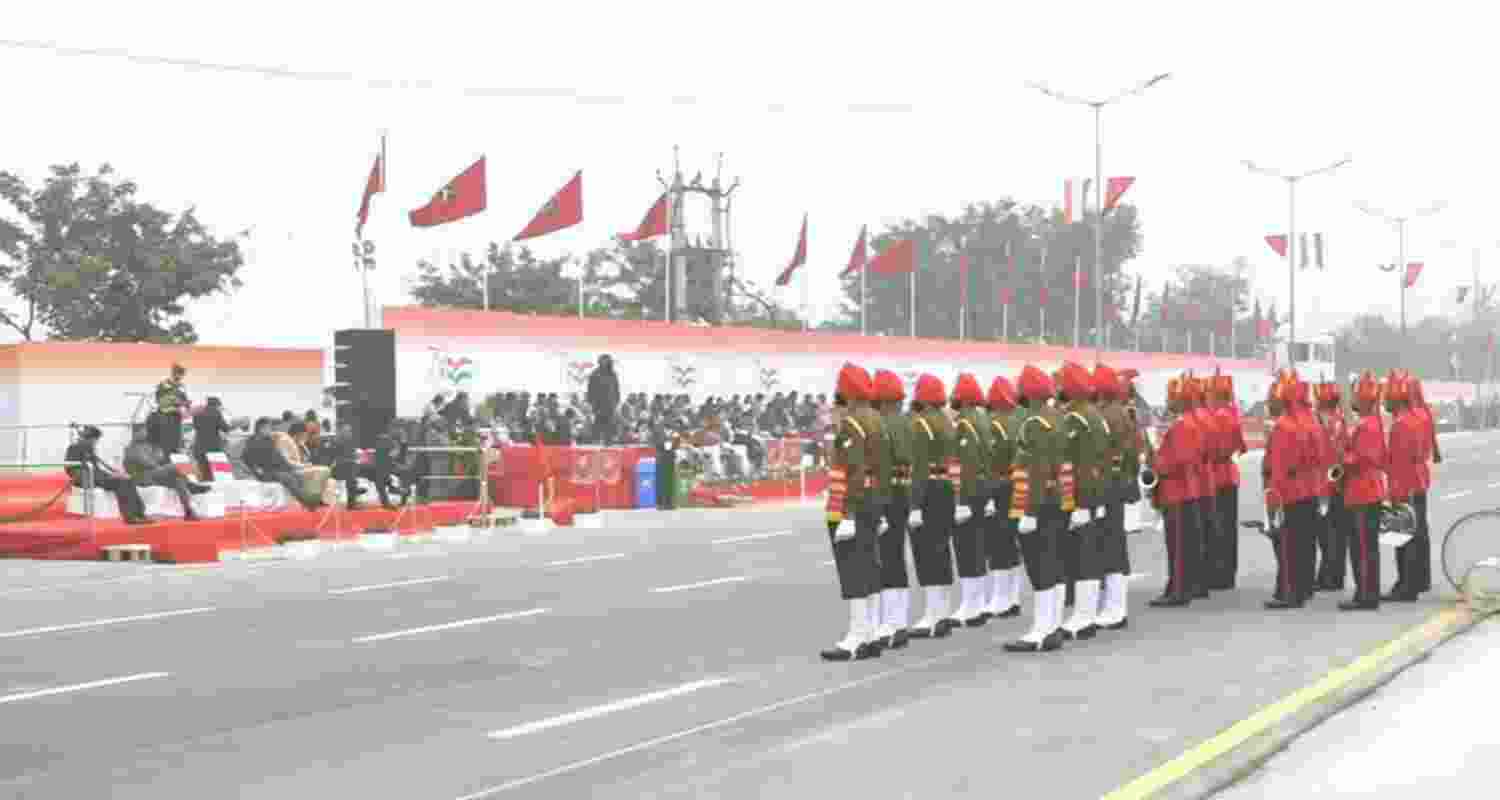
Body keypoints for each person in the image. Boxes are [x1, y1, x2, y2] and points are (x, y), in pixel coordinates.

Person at [821, 363, 884, 662]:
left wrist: (846, 515)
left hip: (849, 504)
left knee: (853, 570)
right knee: (869, 567)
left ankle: (857, 637)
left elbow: (854, 470)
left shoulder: (851, 424)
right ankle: (869, 635)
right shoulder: (877, 420)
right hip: (870, 501)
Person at [1004, 365, 1068, 653]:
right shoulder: (1058, 418)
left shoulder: (1034, 423)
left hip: (1038, 501)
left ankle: (1042, 630)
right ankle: (1052, 626)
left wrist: (1029, 511)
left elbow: (1037, 469)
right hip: (1055, 498)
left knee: (1040, 566)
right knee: (1053, 563)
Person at [1055, 362, 1109, 639]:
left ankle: (1083, 617)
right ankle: (1084, 615)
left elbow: (1079, 464)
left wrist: (1079, 504)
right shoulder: (1093, 414)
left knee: (1082, 557)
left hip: (1082, 495)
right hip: (1093, 493)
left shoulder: (1077, 418)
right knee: (1088, 555)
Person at [906, 374, 960, 640]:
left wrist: (914, 505)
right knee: (941, 550)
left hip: (927, 490)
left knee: (926, 554)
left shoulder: (921, 424)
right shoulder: (948, 422)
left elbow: (918, 467)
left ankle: (932, 615)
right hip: (946, 488)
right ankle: (942, 614)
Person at [1150, 373, 1205, 608]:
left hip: (1177, 491)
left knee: (1178, 545)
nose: (1167, 401)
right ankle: (1183, 586)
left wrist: (1156, 464)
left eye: (1170, 397)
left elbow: (1179, 461)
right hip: (1187, 489)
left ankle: (1178, 590)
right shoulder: (1190, 423)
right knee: (1184, 543)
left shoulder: (1182, 426)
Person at [871, 369, 915, 650]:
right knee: (895, 556)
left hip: (888, 494)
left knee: (888, 559)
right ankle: (898, 622)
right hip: (902, 493)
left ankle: (893, 624)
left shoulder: (884, 423)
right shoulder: (905, 422)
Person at [1093, 364, 1137, 631]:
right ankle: (1114, 606)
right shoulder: (1120, 412)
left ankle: (1113, 608)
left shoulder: (1104, 415)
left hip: (1105, 485)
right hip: (1116, 483)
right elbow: (1133, 453)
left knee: (1108, 545)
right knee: (1114, 543)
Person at [945, 373, 990, 628]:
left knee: (966, 548)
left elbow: (967, 463)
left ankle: (971, 605)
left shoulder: (965, 424)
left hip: (969, 491)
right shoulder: (981, 419)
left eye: (954, 392)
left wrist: (961, 500)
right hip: (980, 489)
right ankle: (977, 603)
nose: (951, 396)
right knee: (976, 547)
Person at [1341, 371, 1388, 610]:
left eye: (1355, 396)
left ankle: (1366, 595)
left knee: (1362, 548)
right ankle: (1367, 593)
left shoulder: (1367, 427)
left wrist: (1342, 455)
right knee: (1365, 547)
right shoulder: (1372, 423)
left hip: (1363, 491)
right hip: (1367, 489)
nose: (1352, 400)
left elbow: (1359, 459)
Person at [1384, 371, 1430, 602]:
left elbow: (1398, 462)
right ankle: (1418, 580)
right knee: (1418, 533)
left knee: (1404, 537)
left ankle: (1406, 586)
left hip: (1404, 484)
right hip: (1418, 480)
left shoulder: (1401, 424)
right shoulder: (1420, 417)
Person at [983, 375, 1024, 619]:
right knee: (1010, 541)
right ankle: (1012, 597)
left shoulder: (995, 424)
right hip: (1015, 484)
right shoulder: (1019, 419)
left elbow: (993, 460)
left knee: (998, 543)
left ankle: (1002, 598)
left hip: (999, 486)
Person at [123, 424, 211, 521]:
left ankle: (188, 511)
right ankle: (192, 484)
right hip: (143, 477)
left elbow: (160, 459)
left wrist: (157, 452)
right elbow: (147, 463)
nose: (147, 433)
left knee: (178, 480)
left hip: (155, 475)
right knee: (175, 467)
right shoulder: (132, 448)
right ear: (136, 433)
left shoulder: (149, 445)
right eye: (143, 431)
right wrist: (159, 463)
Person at [65, 426, 147, 524]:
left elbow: (96, 468)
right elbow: (70, 469)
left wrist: (112, 474)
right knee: (121, 483)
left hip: (95, 477)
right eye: (95, 440)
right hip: (85, 479)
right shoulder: (74, 448)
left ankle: (139, 513)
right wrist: (108, 476)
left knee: (128, 480)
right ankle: (130, 516)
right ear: (90, 438)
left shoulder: (88, 449)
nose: (95, 443)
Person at [1313, 379, 1350, 591]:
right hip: (1338, 483)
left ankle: (1328, 576)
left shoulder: (1321, 424)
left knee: (1326, 535)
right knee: (1338, 534)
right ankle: (1336, 576)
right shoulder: (1340, 421)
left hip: (1323, 486)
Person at [152, 363, 190, 454]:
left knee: (176, 445)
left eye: (182, 375)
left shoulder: (181, 387)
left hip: (176, 419)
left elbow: (184, 401)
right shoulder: (164, 385)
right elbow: (159, 401)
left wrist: (186, 404)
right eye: (179, 374)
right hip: (165, 418)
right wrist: (177, 402)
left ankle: (173, 459)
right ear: (173, 373)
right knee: (166, 445)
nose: (180, 377)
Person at [192, 397, 231, 481]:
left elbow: (195, 426)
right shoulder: (216, 413)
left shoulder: (198, 413)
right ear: (216, 405)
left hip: (199, 448)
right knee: (218, 473)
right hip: (213, 448)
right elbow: (225, 428)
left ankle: (203, 486)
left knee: (203, 472)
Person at [587, 355, 622, 445]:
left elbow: (616, 388)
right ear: (600, 361)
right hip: (598, 404)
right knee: (598, 422)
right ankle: (596, 440)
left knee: (610, 423)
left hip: (610, 403)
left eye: (607, 360)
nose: (606, 362)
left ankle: (608, 441)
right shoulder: (595, 374)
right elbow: (590, 390)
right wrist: (591, 403)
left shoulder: (612, 374)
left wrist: (617, 400)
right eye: (604, 360)